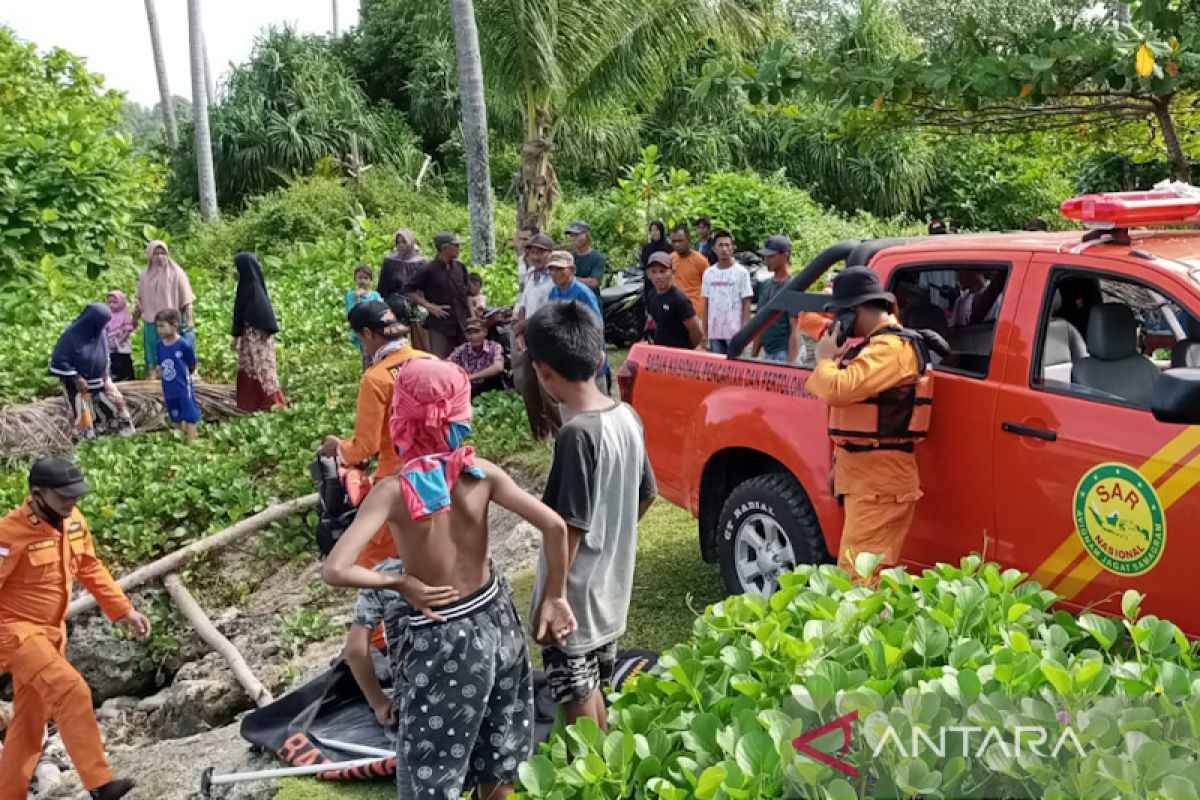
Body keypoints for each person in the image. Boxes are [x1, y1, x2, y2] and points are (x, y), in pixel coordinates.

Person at [322, 358, 577, 800]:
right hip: (497, 621)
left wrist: (401, 584)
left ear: (402, 418)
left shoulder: (394, 492)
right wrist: (555, 596)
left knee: (432, 775)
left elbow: (336, 569)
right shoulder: (482, 474)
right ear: (458, 413)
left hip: (442, 639)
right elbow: (555, 526)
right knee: (498, 765)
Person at [525, 301, 657, 731]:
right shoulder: (627, 417)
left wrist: (553, 596)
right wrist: (613, 539)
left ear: (543, 372)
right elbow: (646, 495)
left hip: (576, 597)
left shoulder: (577, 435)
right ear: (600, 358)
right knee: (595, 682)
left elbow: (567, 529)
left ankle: (591, 780)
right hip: (611, 587)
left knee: (575, 691)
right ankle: (606, 773)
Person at [0, 457, 151, 800]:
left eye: (76, 494)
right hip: (15, 632)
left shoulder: (73, 522)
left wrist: (124, 610)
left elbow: (90, 568)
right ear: (37, 493)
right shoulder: (8, 533)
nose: (72, 501)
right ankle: (99, 783)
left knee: (29, 724)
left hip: (53, 634)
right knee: (72, 690)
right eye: (64, 495)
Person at [806, 266, 940, 584]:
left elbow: (840, 389)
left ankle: (864, 632)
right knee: (872, 574)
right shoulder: (875, 346)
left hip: (880, 482)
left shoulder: (892, 350)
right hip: (865, 475)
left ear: (855, 310)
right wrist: (841, 464)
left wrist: (823, 358)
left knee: (859, 578)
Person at [320, 300, 433, 572]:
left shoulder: (376, 378)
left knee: (372, 558)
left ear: (368, 335)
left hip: (397, 478)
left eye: (360, 338)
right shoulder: (432, 362)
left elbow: (366, 446)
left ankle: (383, 615)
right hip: (442, 470)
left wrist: (339, 447)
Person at [49, 303, 135, 440]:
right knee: (83, 408)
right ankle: (86, 434)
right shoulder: (71, 336)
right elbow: (58, 361)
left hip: (99, 381)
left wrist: (106, 377)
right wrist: (76, 377)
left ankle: (114, 428)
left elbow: (105, 355)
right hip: (79, 385)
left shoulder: (99, 332)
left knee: (114, 403)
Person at [344, 557, 407, 729]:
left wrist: (378, 703)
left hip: (415, 698)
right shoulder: (465, 556)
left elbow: (355, 651)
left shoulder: (382, 575)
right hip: (478, 687)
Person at [512, 234, 562, 439]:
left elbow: (551, 311)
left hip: (547, 336)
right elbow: (523, 302)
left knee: (548, 390)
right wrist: (519, 329)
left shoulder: (555, 279)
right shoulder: (530, 275)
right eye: (532, 252)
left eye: (541, 252)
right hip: (529, 336)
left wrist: (525, 324)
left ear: (550, 254)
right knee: (528, 386)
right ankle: (539, 435)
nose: (536, 256)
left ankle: (560, 435)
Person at [231, 252, 287, 412]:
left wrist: (237, 335)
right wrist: (237, 335)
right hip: (252, 336)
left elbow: (244, 314)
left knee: (261, 369)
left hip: (256, 336)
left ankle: (270, 403)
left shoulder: (251, 288)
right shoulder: (251, 286)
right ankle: (256, 404)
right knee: (254, 368)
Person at [404, 232, 472, 359]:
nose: (459, 248)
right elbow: (408, 290)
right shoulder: (428, 269)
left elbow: (467, 294)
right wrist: (428, 306)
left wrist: (472, 316)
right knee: (441, 360)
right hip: (440, 325)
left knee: (465, 359)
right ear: (445, 248)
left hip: (462, 322)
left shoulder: (460, 267)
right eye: (456, 245)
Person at [133, 241, 195, 378]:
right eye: (156, 254)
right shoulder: (145, 275)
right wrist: (134, 319)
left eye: (163, 253)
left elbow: (187, 300)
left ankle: (180, 376)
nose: (160, 257)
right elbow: (139, 300)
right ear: (150, 256)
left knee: (174, 351)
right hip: (152, 321)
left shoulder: (177, 273)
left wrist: (190, 319)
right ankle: (154, 378)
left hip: (172, 320)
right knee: (153, 353)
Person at [548, 251, 609, 390]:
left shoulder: (583, 292)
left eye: (560, 269)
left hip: (587, 353)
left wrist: (595, 354)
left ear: (572, 270)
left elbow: (597, 324)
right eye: (552, 269)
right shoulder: (554, 293)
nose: (555, 273)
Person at [379, 229, 431, 354]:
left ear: (411, 243)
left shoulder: (421, 262)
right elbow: (383, 285)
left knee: (420, 329)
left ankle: (422, 358)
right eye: (398, 242)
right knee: (395, 339)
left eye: (404, 242)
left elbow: (427, 285)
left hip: (417, 303)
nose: (401, 245)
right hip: (396, 303)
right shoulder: (390, 262)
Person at [700, 229, 753, 353]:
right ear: (714, 248)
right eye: (720, 245)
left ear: (733, 248)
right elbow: (707, 304)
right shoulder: (708, 273)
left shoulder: (742, 273)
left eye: (727, 245)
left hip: (735, 331)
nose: (724, 249)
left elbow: (746, 302)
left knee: (736, 368)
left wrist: (745, 329)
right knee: (718, 368)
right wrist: (705, 331)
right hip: (715, 332)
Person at [155, 309, 199, 443]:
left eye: (162, 326)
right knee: (175, 413)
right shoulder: (159, 345)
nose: (159, 330)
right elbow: (160, 364)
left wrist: (187, 376)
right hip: (168, 386)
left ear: (174, 326)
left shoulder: (183, 345)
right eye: (158, 326)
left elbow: (192, 364)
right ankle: (179, 438)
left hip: (183, 386)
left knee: (189, 413)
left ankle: (191, 440)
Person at [752, 236, 798, 363]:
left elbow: (795, 328)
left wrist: (791, 364)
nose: (766, 260)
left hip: (784, 352)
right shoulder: (765, 285)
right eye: (765, 256)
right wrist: (753, 357)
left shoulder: (793, 286)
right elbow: (760, 322)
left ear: (785, 256)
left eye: (771, 256)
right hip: (768, 352)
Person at [645, 252, 703, 350]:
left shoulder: (679, 299)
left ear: (671, 272)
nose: (658, 276)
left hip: (680, 353)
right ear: (648, 274)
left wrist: (689, 349)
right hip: (660, 351)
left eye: (662, 271)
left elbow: (696, 331)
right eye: (654, 272)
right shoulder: (651, 295)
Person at [449, 318, 506, 397]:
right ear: (465, 335)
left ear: (485, 332)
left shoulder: (494, 346)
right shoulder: (461, 350)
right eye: (470, 333)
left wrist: (471, 377)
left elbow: (499, 367)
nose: (473, 336)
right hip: (470, 389)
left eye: (477, 332)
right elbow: (447, 365)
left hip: (491, 388)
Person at [346, 265, 385, 370]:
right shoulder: (351, 295)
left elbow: (381, 310)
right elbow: (353, 313)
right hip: (363, 332)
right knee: (367, 355)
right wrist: (357, 298)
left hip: (376, 329)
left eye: (366, 278)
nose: (363, 281)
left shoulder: (375, 295)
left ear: (371, 280)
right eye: (360, 278)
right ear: (355, 279)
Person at [670, 224, 710, 324]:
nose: (677, 245)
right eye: (674, 241)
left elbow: (710, 287)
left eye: (680, 241)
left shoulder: (701, 261)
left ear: (689, 240)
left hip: (695, 312)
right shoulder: (669, 259)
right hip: (675, 312)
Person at [566, 221, 608, 302]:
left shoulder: (598, 258)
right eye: (571, 235)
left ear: (587, 236)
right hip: (572, 301)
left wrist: (570, 278)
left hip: (590, 302)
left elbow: (594, 283)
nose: (573, 238)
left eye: (576, 235)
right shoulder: (569, 257)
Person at [104, 291, 136, 382]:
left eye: (114, 302)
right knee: (112, 361)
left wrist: (119, 341)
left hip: (122, 342)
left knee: (123, 361)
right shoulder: (107, 314)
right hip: (110, 342)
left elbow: (128, 330)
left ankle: (126, 378)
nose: (111, 305)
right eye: (109, 302)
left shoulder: (124, 314)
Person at [516, 224, 540, 293]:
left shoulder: (542, 262)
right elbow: (522, 287)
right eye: (520, 239)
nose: (522, 243)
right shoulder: (521, 260)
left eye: (525, 239)